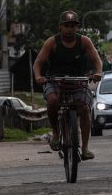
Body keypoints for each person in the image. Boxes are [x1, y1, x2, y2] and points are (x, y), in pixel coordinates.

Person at [33, 10, 103, 160]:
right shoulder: (52, 42)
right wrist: (39, 76)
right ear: (60, 27)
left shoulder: (84, 41)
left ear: (77, 28)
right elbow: (38, 63)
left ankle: (84, 148)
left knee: (84, 108)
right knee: (52, 100)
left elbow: (97, 60)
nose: (70, 29)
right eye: (67, 26)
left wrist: (98, 72)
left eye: (73, 26)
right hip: (55, 80)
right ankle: (56, 132)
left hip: (78, 80)